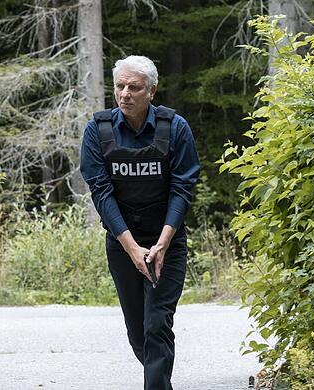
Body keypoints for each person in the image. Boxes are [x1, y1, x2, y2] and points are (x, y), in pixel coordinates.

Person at [80, 55, 200, 389]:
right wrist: (132, 248)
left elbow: (183, 187)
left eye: (134, 87)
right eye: (120, 86)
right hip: (122, 242)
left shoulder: (175, 127)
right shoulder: (98, 130)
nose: (125, 93)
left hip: (167, 240)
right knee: (138, 331)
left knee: (157, 323)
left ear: (152, 90)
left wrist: (162, 242)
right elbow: (101, 193)